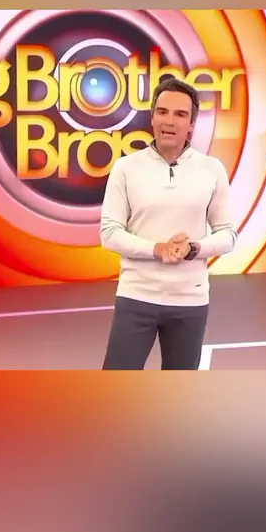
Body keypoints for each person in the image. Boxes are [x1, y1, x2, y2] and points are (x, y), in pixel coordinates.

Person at [100, 76, 238, 370]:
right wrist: (157, 249)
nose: (169, 121)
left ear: (191, 124)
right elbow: (109, 233)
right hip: (136, 296)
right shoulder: (125, 168)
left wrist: (193, 248)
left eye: (180, 114)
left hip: (190, 300)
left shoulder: (212, 169)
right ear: (152, 118)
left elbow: (228, 235)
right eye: (162, 112)